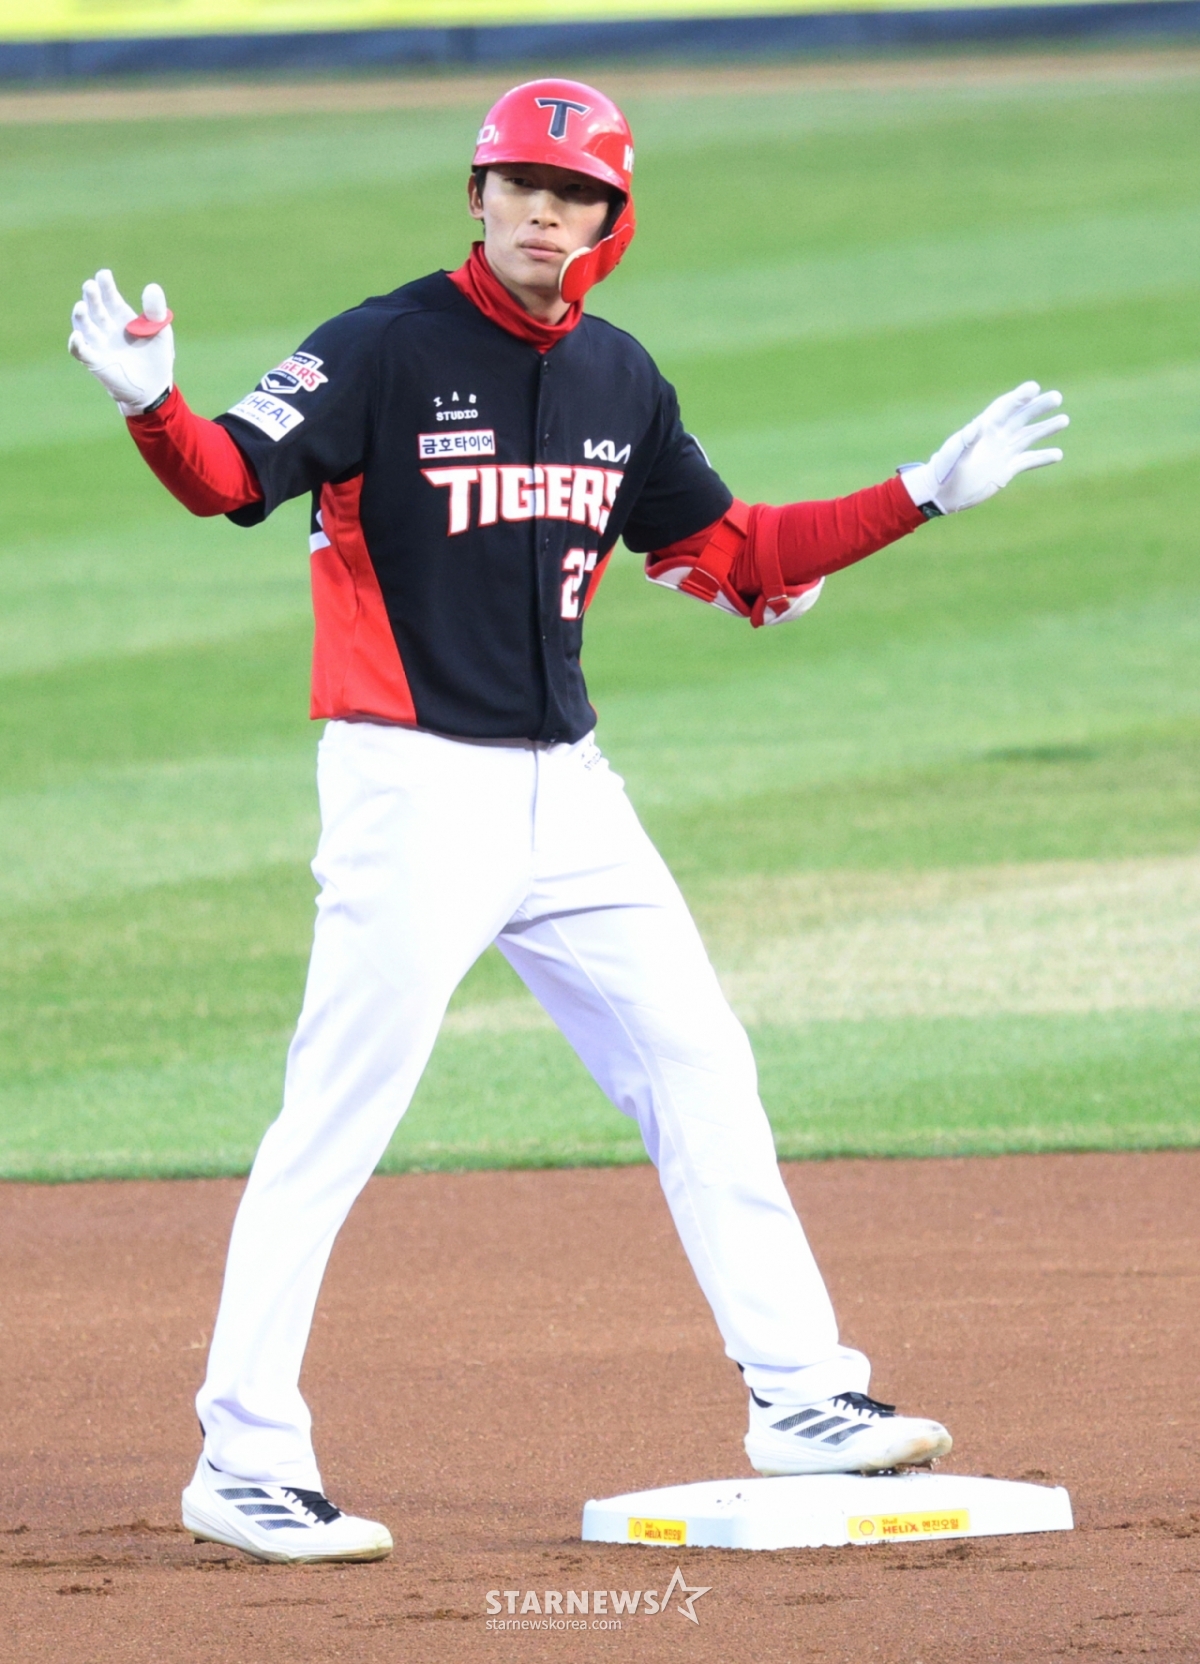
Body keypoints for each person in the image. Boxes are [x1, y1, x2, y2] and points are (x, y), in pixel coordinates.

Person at [68, 78, 1068, 1566]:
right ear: (474, 194)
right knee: (338, 1117)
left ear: (612, 217)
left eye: (575, 194)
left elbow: (735, 556)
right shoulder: (382, 343)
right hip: (412, 784)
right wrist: (153, 400)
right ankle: (245, 1453)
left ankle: (801, 1399)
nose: (545, 212)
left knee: (700, 1065)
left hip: (570, 795)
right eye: (519, 185)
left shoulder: (619, 376)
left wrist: (917, 493)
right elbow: (229, 482)